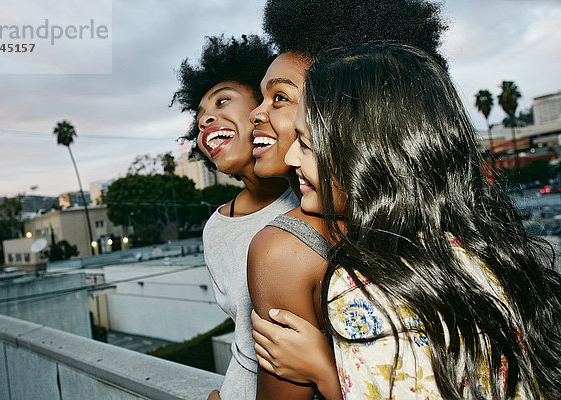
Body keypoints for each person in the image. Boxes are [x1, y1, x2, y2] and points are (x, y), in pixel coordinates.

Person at [252, 42, 561, 399]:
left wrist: (326, 371)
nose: (292, 156)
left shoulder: (358, 289)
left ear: (364, 156)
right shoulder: (484, 251)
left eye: (306, 143)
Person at [246, 0, 447, 398]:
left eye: (280, 98)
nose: (256, 112)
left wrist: (327, 373)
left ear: (346, 110)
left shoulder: (281, 251)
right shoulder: (440, 228)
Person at [172, 34, 299, 400]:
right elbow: (244, 342)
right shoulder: (215, 230)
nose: (205, 120)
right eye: (198, 120)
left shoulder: (314, 195)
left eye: (223, 100)